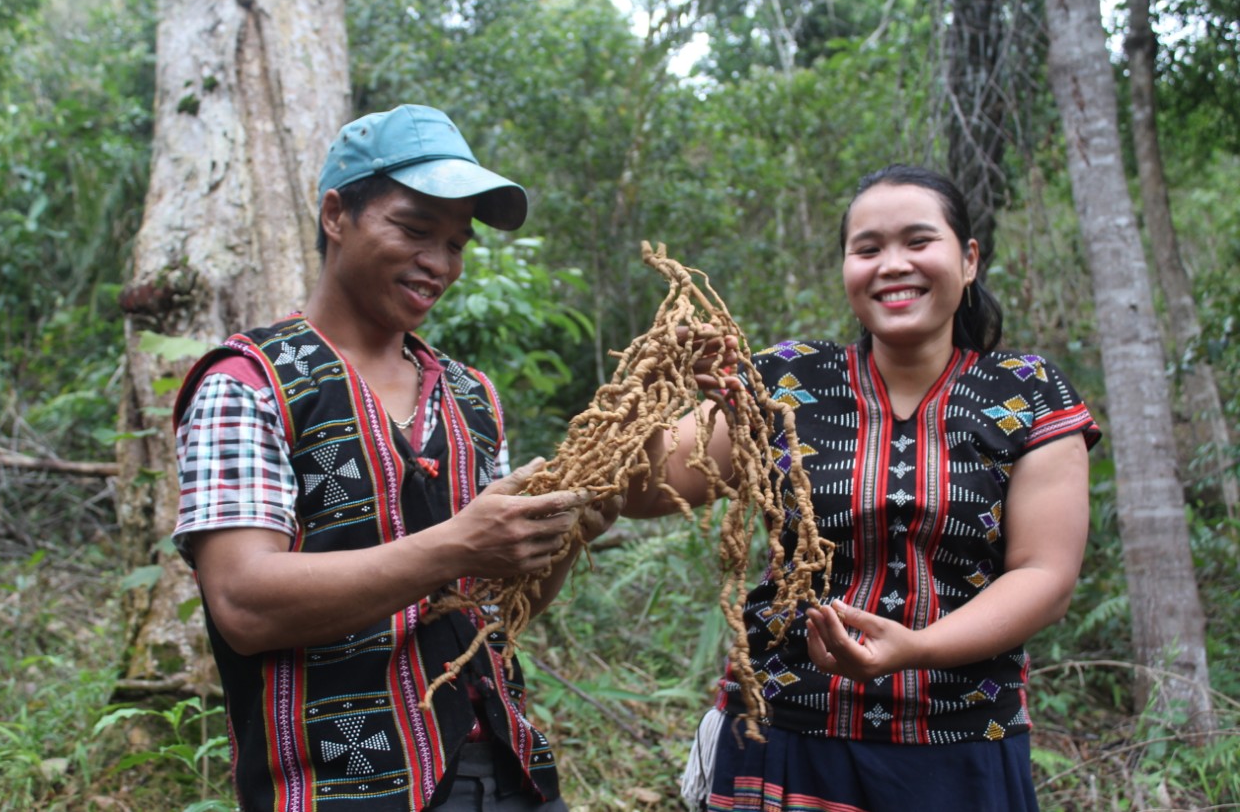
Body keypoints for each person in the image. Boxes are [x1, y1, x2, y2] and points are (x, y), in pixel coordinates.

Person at [172, 104, 613, 811]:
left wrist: (562, 536)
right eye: (413, 229)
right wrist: (458, 541)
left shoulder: (471, 397)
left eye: (456, 242)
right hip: (341, 787)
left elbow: (491, 609)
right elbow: (243, 602)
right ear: (336, 215)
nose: (438, 263)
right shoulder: (248, 385)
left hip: (506, 773)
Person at [624, 164, 1101, 811]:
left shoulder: (1028, 391)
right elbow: (641, 487)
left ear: (968, 260)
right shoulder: (786, 380)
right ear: (847, 268)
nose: (892, 264)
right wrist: (660, 385)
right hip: (785, 738)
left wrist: (917, 649)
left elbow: (1046, 576)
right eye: (868, 248)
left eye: (918, 241)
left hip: (960, 748)